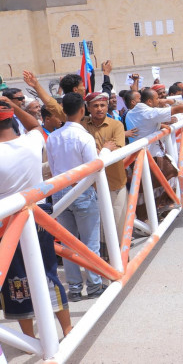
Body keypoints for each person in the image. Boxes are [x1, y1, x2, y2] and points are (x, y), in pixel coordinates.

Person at [0, 96, 73, 338]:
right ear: (11, 119)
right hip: (39, 215)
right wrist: (12, 105)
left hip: (6, 221)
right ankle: (67, 328)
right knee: (47, 272)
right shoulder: (31, 141)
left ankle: (29, 338)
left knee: (16, 279)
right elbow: (33, 125)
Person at [46, 93, 105, 301]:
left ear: (63, 110)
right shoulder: (84, 137)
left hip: (60, 192)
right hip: (82, 190)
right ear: (83, 110)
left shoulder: (53, 137)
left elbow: (53, 167)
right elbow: (93, 168)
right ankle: (94, 284)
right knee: (90, 242)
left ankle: (74, 287)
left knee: (67, 243)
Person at [82, 92, 128, 242]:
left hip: (114, 183)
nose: (99, 109)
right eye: (95, 106)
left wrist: (98, 152)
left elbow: (119, 149)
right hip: (89, 186)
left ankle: (119, 253)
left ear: (107, 106)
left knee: (118, 222)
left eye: (102, 105)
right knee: (95, 226)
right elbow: (58, 111)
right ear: (88, 108)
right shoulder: (81, 124)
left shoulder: (116, 125)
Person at [125, 88, 183, 156]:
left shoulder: (130, 113)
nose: (159, 100)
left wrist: (161, 125)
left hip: (135, 155)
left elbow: (144, 125)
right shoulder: (150, 112)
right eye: (157, 98)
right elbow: (176, 110)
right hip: (151, 156)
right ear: (149, 101)